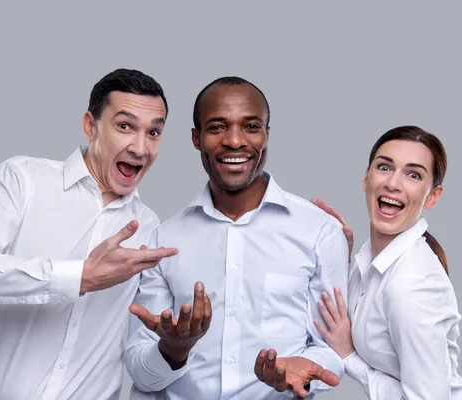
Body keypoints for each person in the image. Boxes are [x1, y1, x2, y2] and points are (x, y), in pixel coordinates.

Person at [0, 68, 178, 400]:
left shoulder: (150, 229)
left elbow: (142, 365)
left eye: (154, 132)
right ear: (90, 126)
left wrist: (175, 349)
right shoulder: (24, 181)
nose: (141, 147)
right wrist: (78, 276)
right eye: (125, 126)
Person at [124, 76, 350, 399]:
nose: (234, 141)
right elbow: (140, 374)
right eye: (217, 127)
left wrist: (306, 365)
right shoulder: (164, 239)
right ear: (196, 137)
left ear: (267, 135)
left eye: (251, 127)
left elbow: (335, 349)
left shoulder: (319, 231)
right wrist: (172, 351)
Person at [312, 126, 462, 399]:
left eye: (413, 174)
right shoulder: (372, 257)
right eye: (385, 167)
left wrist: (349, 356)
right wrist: (339, 254)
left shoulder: (409, 285)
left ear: (432, 196)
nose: (393, 183)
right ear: (366, 179)